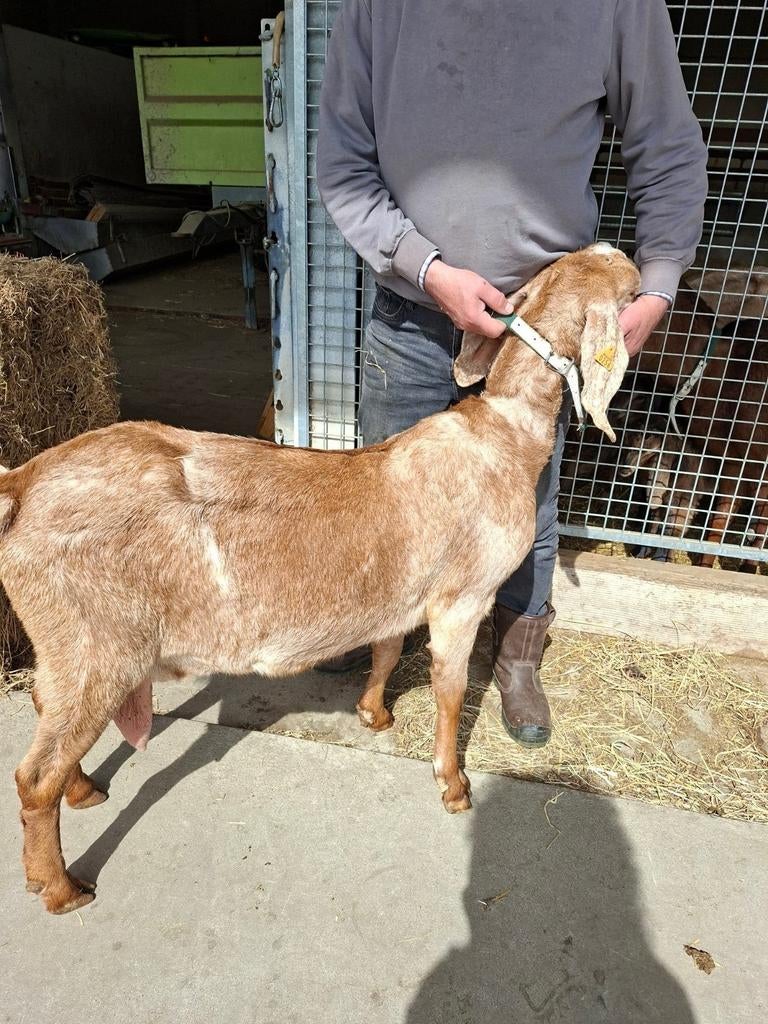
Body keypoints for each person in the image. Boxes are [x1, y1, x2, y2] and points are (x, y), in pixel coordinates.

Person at [315, 0, 708, 746]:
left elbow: (666, 146)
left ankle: (517, 653)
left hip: (538, 325)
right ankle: (373, 637)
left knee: (524, 501)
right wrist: (424, 267)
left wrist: (658, 282)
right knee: (382, 491)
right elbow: (343, 160)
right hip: (412, 305)